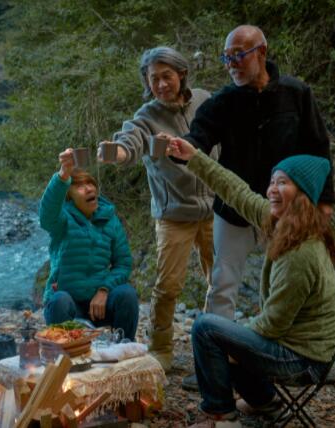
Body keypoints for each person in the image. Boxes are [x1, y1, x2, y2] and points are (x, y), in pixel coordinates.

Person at [168, 137, 335, 428]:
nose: (272, 190)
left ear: (303, 194)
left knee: (206, 327)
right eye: (272, 182)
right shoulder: (283, 222)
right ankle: (266, 403)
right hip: (302, 349)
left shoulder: (301, 251)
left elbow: (273, 325)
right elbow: (237, 192)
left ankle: (220, 415)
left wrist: (233, 349)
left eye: (283, 183)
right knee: (228, 335)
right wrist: (194, 157)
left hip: (304, 360)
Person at [180, 24, 335, 324]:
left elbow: (318, 148)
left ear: (261, 52)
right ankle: (215, 353)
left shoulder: (297, 93)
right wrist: (180, 148)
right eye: (226, 58)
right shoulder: (224, 101)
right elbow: (199, 136)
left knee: (289, 279)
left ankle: (292, 352)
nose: (231, 64)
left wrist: (324, 200)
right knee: (223, 283)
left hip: (286, 208)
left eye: (238, 55)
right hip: (235, 208)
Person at [98, 46, 217, 372]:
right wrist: (117, 154)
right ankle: (161, 350)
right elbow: (129, 143)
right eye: (154, 79)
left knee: (221, 282)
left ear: (181, 74)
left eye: (167, 76)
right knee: (167, 288)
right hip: (175, 214)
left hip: (216, 208)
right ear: (147, 82)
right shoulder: (146, 116)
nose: (162, 84)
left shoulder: (205, 100)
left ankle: (221, 346)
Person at [40, 148, 139, 340]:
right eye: (79, 186)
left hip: (100, 305)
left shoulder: (110, 219)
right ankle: (65, 355)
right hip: (68, 305)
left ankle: (123, 348)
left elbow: (123, 263)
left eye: (90, 184)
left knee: (126, 294)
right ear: (69, 197)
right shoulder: (62, 220)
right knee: (60, 300)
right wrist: (63, 174)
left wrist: (104, 290)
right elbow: (46, 215)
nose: (89, 189)